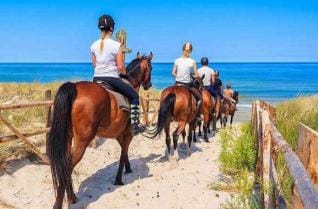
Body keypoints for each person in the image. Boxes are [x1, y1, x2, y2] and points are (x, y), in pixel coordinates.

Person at [90, 14, 145, 136]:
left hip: (96, 78)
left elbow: (94, 64)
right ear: (111, 28)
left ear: (100, 28)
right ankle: (135, 125)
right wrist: (124, 75)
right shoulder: (116, 45)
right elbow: (120, 67)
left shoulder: (93, 45)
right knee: (135, 96)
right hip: (111, 79)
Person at [172, 42, 202, 117]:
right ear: (183, 50)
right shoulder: (191, 61)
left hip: (177, 83)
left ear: (191, 51)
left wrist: (179, 75)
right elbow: (197, 75)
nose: (187, 52)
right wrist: (190, 76)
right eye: (186, 50)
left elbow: (173, 73)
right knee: (200, 98)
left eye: (188, 50)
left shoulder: (178, 60)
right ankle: (196, 116)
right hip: (187, 84)